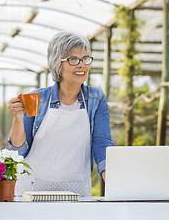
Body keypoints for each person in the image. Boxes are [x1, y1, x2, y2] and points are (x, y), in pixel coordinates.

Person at [7, 31, 114, 197]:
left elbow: (102, 142)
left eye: (85, 59)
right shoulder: (37, 98)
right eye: (73, 59)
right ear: (57, 63)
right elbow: (19, 152)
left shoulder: (95, 99)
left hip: (76, 192)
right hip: (32, 191)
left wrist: (114, 180)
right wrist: (18, 119)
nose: (82, 65)